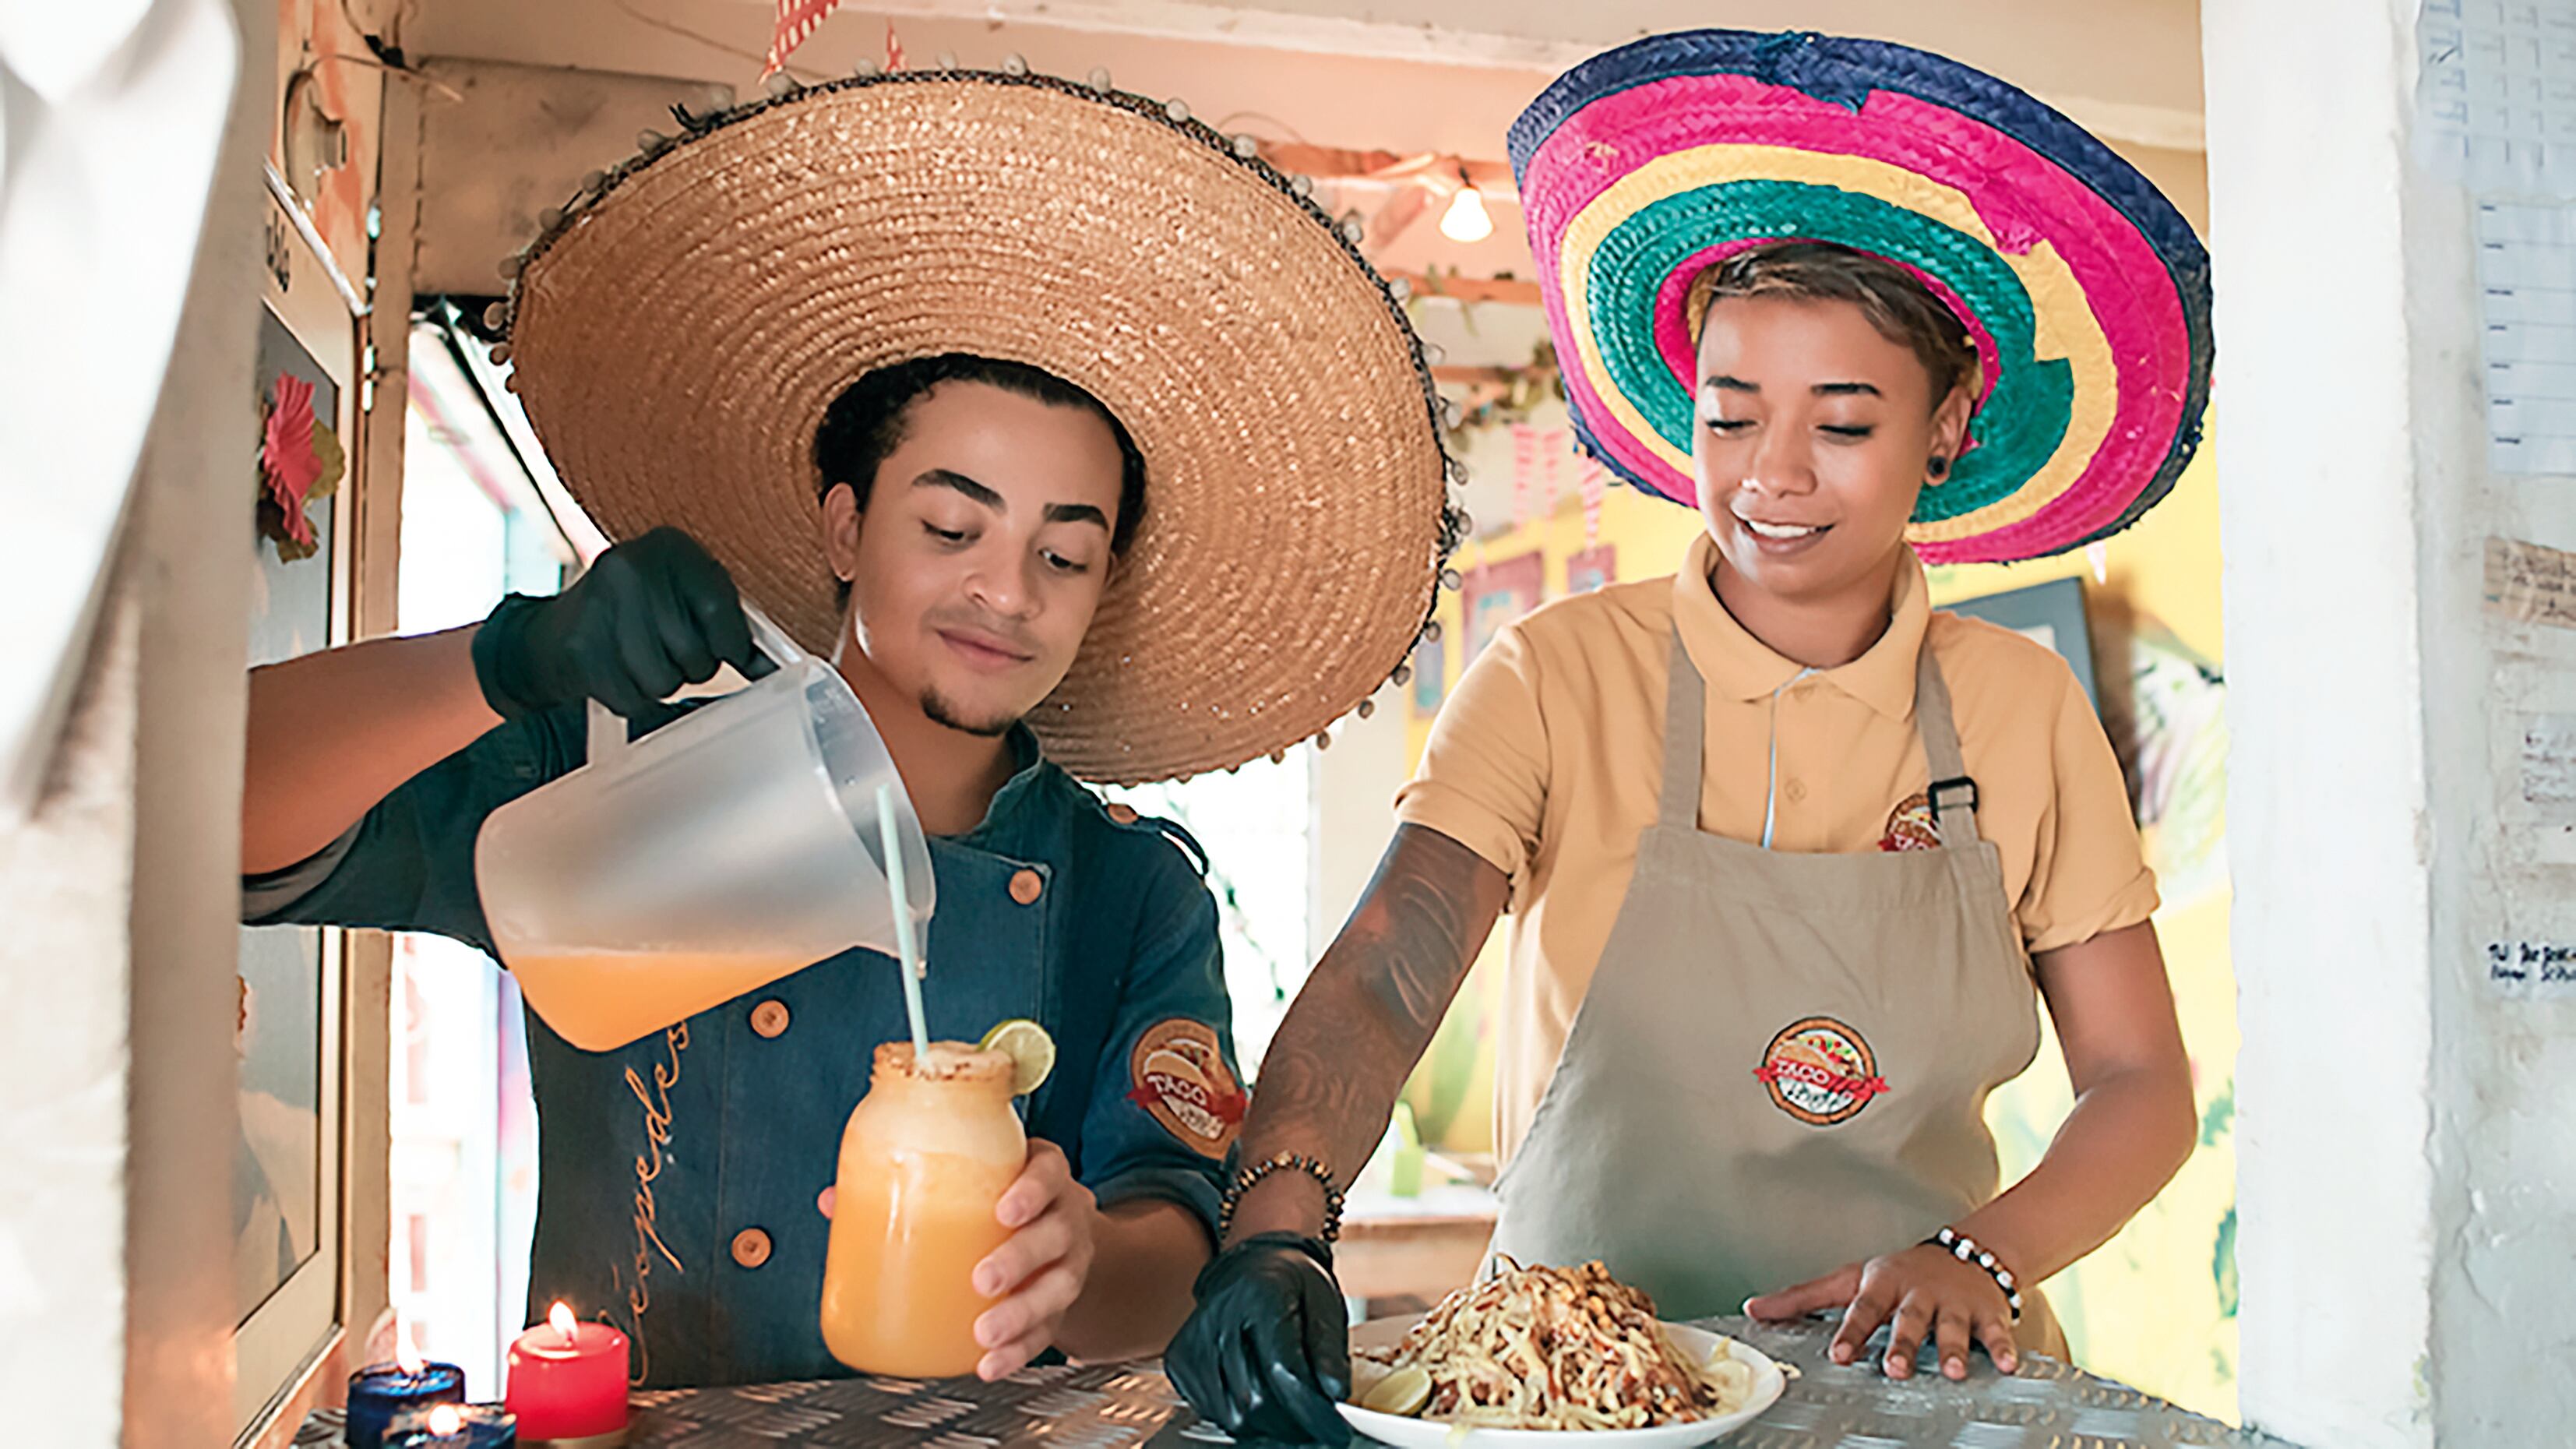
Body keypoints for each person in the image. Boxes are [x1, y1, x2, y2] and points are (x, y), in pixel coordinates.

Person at [241, 67, 1455, 1387]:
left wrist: (1083, 1260)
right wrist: (508, 656)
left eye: (1067, 554)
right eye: (951, 527)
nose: (1006, 591)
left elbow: (1173, 1230)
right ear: (842, 524)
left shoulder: (1131, 891)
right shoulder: (620, 771)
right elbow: (221, 819)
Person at [1168, 29, 2215, 1439]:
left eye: (1842, 425)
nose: (1772, 478)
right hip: (1572, 1383)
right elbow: (1390, 966)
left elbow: (2141, 1083)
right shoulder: (1557, 673)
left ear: (1950, 422)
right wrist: (1279, 1228)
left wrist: (1981, 1255)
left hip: (1919, 1386)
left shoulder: (2019, 709)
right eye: (1733, 418)